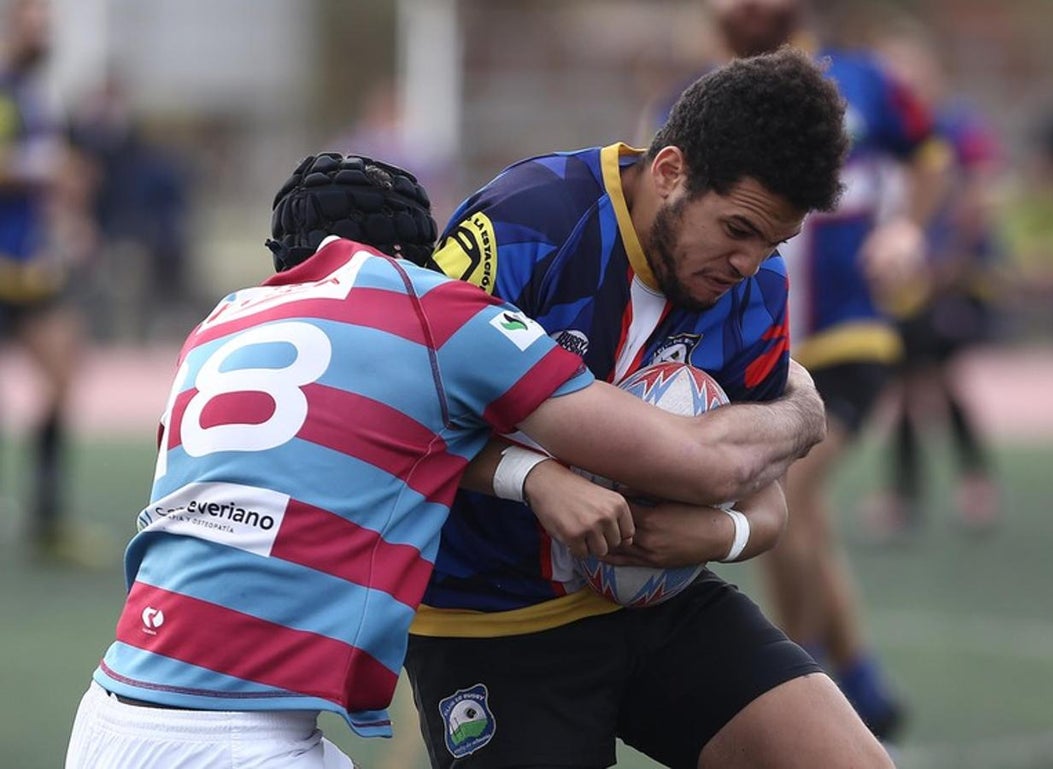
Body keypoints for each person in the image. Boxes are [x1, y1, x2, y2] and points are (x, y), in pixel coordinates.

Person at [64, 150, 859, 768]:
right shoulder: (428, 311)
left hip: (114, 706)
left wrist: (534, 473)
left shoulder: (222, 324)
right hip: (254, 737)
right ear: (419, 255)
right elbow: (692, 460)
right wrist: (802, 409)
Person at [407, 50, 894, 769]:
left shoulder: (756, 291)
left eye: (773, 242)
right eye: (737, 229)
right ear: (670, 172)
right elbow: (404, 414)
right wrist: (534, 479)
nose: (749, 264)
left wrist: (717, 534)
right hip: (491, 622)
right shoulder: (526, 225)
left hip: (658, 607)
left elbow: (770, 505)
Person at [697, 0, 951, 742]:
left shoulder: (864, 79)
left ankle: (793, 681)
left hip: (852, 335)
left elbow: (933, 157)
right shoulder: (703, 96)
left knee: (792, 493)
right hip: (767, 347)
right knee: (803, 515)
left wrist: (908, 229)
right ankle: (861, 676)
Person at [861, 26, 1004, 539]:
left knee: (935, 381)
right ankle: (916, 493)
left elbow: (980, 197)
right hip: (902, 278)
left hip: (945, 275)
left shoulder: (955, 125)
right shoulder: (881, 130)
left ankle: (965, 484)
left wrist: (950, 261)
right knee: (906, 384)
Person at [0, 0, 90, 563]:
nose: (46, 30)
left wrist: (70, 220)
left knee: (62, 373)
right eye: (36, 19)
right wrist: (48, 167)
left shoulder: (36, 91)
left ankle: (47, 518)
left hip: (29, 264)